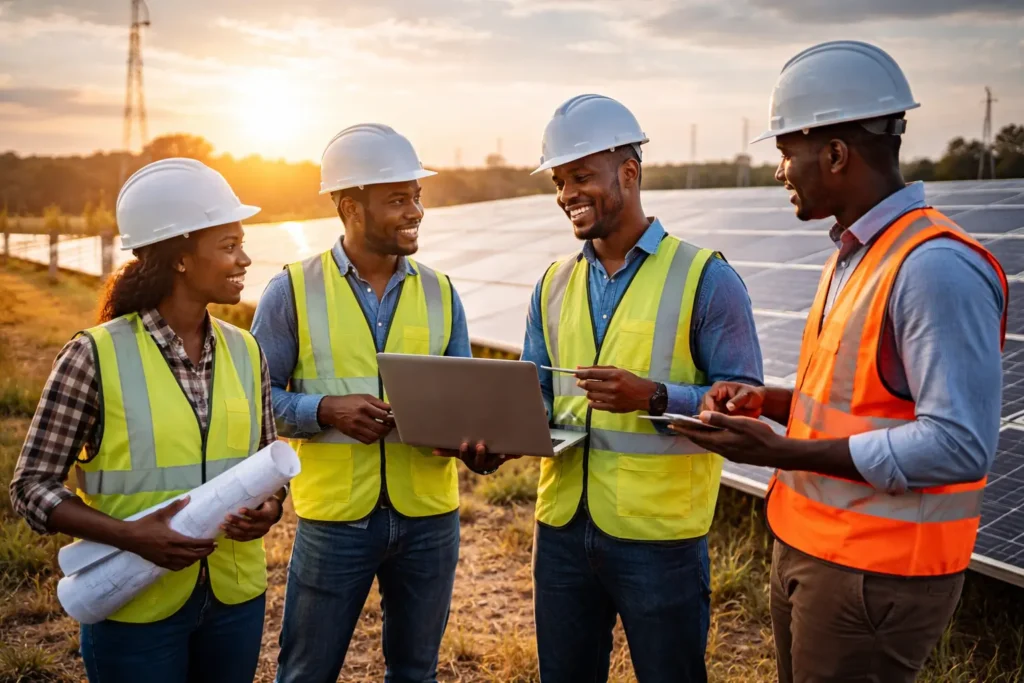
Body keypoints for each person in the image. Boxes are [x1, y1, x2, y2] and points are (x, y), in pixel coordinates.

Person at [670, 41, 1009, 683]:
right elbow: (853, 406)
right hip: (815, 549)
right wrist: (765, 403)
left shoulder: (935, 267)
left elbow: (960, 444)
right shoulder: (853, 255)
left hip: (877, 575)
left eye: (784, 152)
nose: (778, 172)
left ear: (834, 154)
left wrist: (779, 451)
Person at [9, 157, 284, 683]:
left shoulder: (247, 351)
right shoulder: (93, 355)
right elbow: (30, 488)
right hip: (135, 603)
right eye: (228, 245)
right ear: (181, 257)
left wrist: (268, 510)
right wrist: (130, 535)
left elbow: (266, 467)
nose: (245, 259)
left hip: (235, 599)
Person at [520, 94, 764, 683]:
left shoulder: (707, 278)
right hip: (561, 531)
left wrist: (655, 398)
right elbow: (536, 404)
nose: (566, 194)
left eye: (581, 176)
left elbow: (746, 412)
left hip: (660, 541)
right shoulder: (551, 285)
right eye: (559, 181)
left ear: (629, 172)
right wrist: (488, 439)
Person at [252, 123, 492, 683]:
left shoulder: (441, 291)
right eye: (397, 200)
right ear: (349, 208)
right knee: (306, 672)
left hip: (429, 517)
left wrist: (476, 442)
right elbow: (256, 401)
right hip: (336, 519)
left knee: (416, 673)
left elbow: (464, 400)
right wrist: (325, 411)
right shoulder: (291, 290)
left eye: (416, 197)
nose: (416, 211)